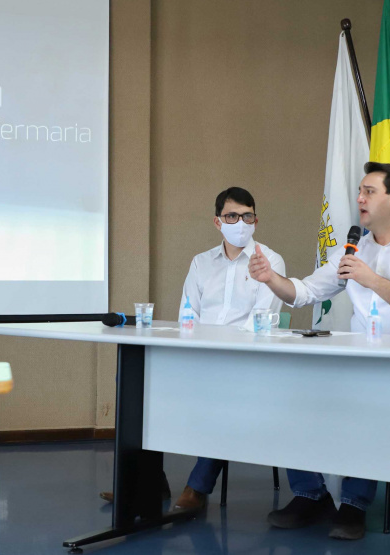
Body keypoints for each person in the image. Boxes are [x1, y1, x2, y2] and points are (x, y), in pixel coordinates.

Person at [248, 162, 390, 540]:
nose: (359, 198)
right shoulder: (356, 245)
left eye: (369, 191)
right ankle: (310, 495)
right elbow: (306, 292)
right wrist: (271, 279)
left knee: (369, 401)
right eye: (359, 191)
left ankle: (354, 505)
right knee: (292, 394)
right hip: (359, 363)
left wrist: (372, 279)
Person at [100, 186, 286, 509]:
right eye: (232, 216)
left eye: (247, 216)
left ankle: (197, 488)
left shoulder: (269, 261)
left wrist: (218, 350)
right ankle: (145, 481)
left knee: (222, 393)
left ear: (256, 220)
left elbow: (263, 321)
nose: (240, 222)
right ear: (217, 222)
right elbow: (189, 316)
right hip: (198, 357)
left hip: (243, 363)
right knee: (135, 380)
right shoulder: (201, 263)